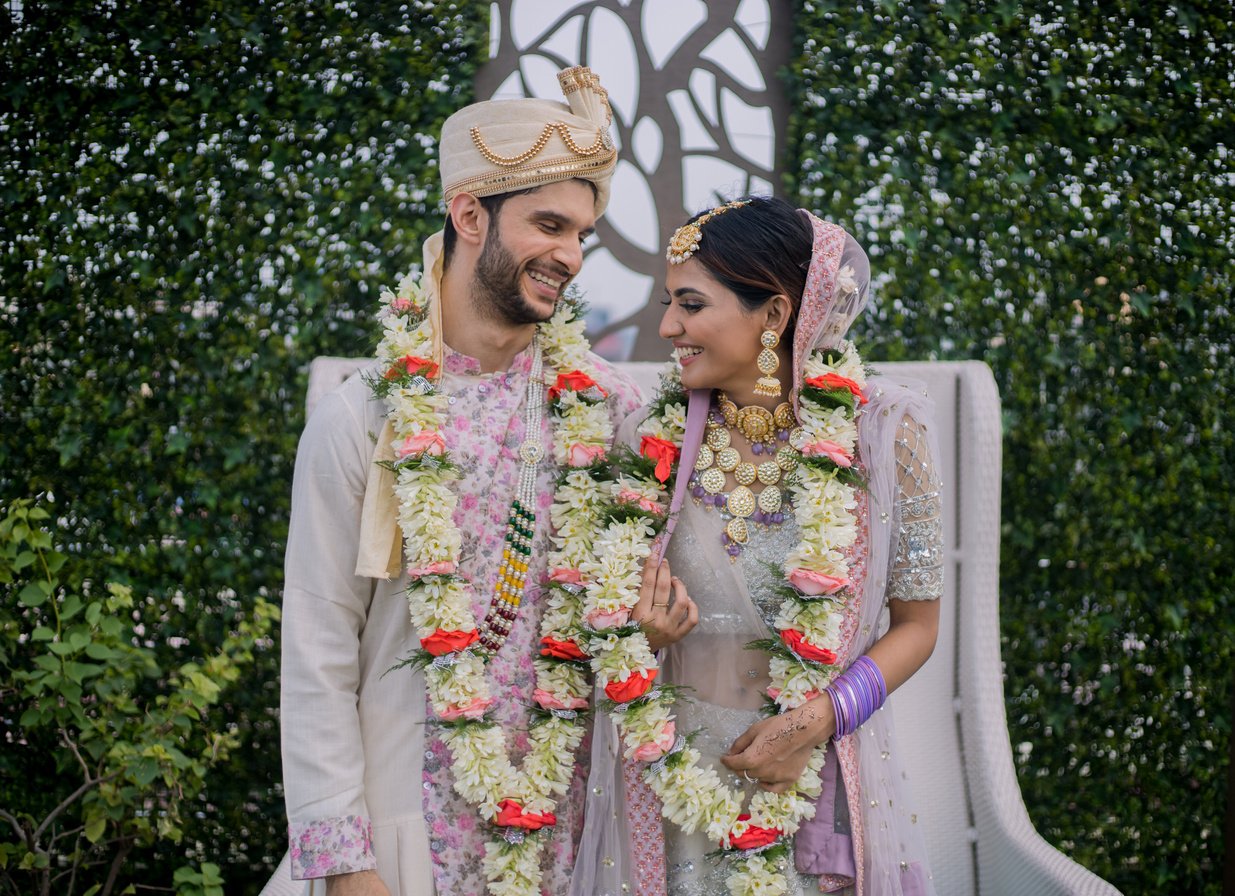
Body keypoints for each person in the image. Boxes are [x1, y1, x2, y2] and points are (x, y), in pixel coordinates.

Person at [262, 66, 696, 896]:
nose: (569, 255)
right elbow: (316, 655)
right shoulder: (365, 419)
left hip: (572, 829)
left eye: (582, 235)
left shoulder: (612, 414)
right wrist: (348, 869)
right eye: (548, 224)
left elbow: (641, 606)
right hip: (402, 833)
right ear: (469, 215)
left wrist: (646, 631)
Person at [574, 196, 942, 896]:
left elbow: (918, 627)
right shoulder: (647, 442)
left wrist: (814, 721)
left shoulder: (886, 435)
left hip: (805, 772)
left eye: (689, 304)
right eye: (667, 302)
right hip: (668, 779)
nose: (667, 327)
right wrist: (640, 633)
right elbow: (608, 627)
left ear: (772, 315)